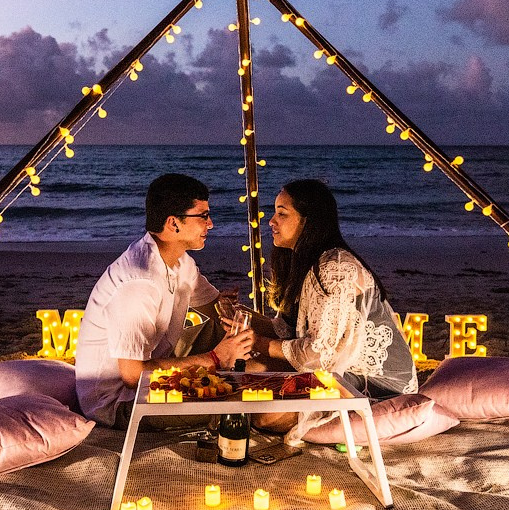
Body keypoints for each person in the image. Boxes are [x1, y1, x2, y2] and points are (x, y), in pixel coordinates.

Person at [73, 173, 253, 427]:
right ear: (173, 223)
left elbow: (217, 310)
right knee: (237, 404)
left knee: (226, 331)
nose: (211, 224)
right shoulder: (139, 281)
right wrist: (215, 358)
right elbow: (133, 375)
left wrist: (270, 337)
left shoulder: (181, 262)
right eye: (203, 216)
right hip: (119, 402)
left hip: (154, 365)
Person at [252, 178, 417, 402]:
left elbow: (322, 354)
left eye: (282, 214)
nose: (271, 221)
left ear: (308, 221)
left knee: (265, 412)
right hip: (332, 370)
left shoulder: (335, 268)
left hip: (375, 381)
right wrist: (237, 317)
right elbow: (284, 331)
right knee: (252, 371)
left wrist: (257, 343)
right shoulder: (305, 263)